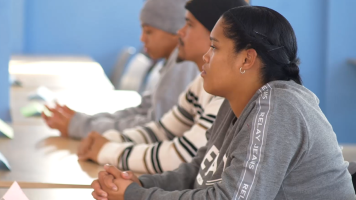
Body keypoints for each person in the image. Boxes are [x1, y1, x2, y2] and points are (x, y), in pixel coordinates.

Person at [91, 5, 355, 200]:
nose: (206, 56)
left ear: (247, 59)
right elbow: (201, 170)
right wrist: (140, 182)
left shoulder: (278, 107)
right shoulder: (233, 101)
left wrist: (136, 195)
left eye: (215, 47)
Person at [77, 0, 247, 174]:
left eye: (188, 25)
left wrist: (107, 151)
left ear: (214, 34)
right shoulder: (201, 83)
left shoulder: (227, 93)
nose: (179, 32)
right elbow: (161, 130)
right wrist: (109, 139)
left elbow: (183, 156)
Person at [42, 0, 198, 139]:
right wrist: (85, 121)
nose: (142, 39)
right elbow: (143, 110)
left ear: (175, 32)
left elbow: (153, 128)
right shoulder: (171, 62)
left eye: (149, 31)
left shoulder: (183, 65)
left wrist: (81, 126)